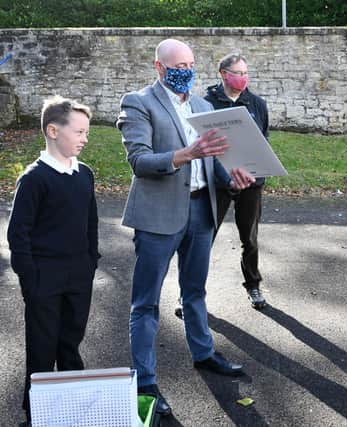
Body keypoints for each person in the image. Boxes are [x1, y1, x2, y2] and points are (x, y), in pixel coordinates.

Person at [116, 39, 255, 417]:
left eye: (191, 63)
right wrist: (185, 154)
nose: (186, 70)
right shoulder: (138, 102)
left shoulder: (203, 106)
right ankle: (145, 379)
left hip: (200, 211)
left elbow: (214, 161)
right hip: (158, 216)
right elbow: (140, 161)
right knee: (145, 303)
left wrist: (232, 177)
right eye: (178, 64)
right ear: (159, 67)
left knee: (194, 291)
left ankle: (204, 352)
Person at [7, 96, 99, 426]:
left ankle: (71, 409)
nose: (85, 138)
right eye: (79, 132)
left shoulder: (84, 174)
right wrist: (30, 279)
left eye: (86, 132)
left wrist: (91, 260)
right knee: (42, 349)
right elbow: (18, 235)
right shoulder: (34, 179)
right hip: (43, 279)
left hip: (78, 276)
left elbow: (91, 222)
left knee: (70, 345)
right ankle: (37, 415)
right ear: (53, 130)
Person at [205, 53, 269, 309]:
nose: (243, 78)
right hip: (217, 183)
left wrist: (257, 173)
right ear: (223, 73)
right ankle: (190, 292)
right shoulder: (206, 103)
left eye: (245, 73)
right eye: (238, 73)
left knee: (250, 238)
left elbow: (263, 142)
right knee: (204, 238)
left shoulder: (256, 104)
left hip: (250, 183)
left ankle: (253, 285)